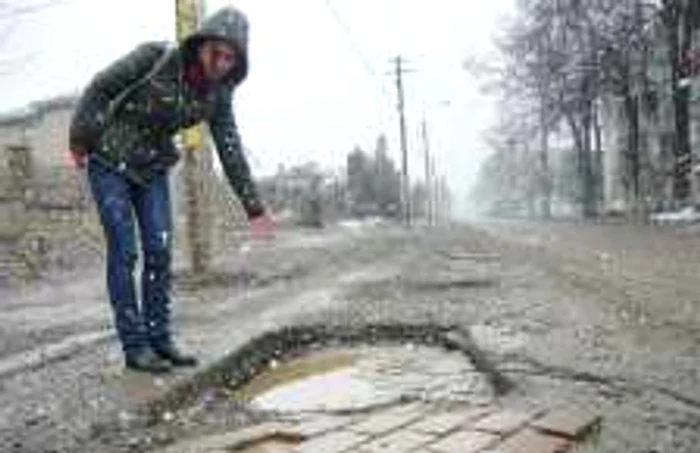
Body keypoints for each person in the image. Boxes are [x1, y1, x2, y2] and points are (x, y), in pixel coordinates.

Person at [68, 6, 272, 373]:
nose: (221, 63)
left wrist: (253, 207)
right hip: (109, 159)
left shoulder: (218, 95)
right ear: (202, 44)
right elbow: (100, 86)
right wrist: (80, 139)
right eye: (217, 52)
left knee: (159, 251)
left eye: (230, 58)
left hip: (152, 167)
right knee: (125, 250)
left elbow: (229, 146)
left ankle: (159, 340)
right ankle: (135, 347)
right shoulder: (155, 57)